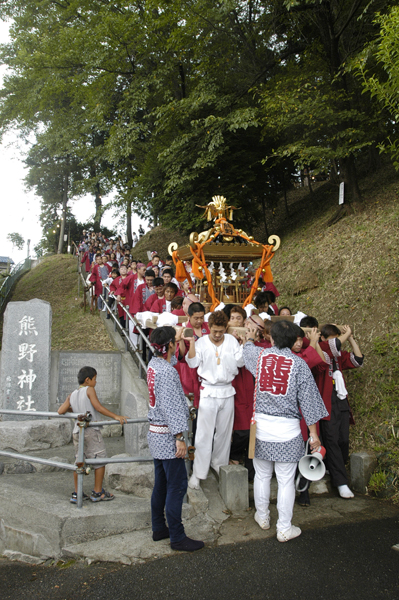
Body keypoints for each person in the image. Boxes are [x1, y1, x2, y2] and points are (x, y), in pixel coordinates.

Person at [243, 320, 328, 542]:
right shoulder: (299, 365)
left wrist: (251, 337)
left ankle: (262, 517)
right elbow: (309, 402)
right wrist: (314, 435)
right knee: (285, 480)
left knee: (261, 475)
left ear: (271, 339)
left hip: (260, 427)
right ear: (294, 342)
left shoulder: (260, 357)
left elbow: (247, 349)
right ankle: (284, 528)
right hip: (288, 431)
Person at [147, 326, 204, 552]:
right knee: (176, 487)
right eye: (174, 341)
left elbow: (168, 361)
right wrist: (180, 437)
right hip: (169, 437)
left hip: (155, 433)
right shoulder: (167, 372)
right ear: (170, 344)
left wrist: (174, 338)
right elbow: (171, 407)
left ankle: (159, 527)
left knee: (161, 485)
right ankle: (177, 536)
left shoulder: (154, 366)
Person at [186, 310, 244, 489]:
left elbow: (241, 363)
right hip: (209, 391)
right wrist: (192, 345)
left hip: (227, 390)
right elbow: (193, 363)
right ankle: (198, 472)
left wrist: (244, 344)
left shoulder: (232, 341)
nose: (217, 335)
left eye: (220, 331)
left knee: (224, 434)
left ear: (225, 328)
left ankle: (219, 464)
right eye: (214, 331)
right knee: (204, 434)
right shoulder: (202, 342)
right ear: (208, 327)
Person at [58, 366, 128, 503]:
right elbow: (98, 407)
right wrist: (116, 416)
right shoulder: (89, 390)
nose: (96, 382)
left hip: (77, 431)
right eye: (95, 379)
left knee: (79, 461)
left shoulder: (72, 394)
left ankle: (77, 493)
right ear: (88, 380)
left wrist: (73, 407)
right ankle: (98, 492)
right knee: (99, 459)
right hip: (91, 430)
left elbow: (61, 411)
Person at [316, 324, 364, 499]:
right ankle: (341, 482)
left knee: (343, 439)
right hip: (326, 402)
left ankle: (331, 466)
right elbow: (334, 346)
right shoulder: (321, 348)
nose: (335, 341)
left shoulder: (338, 356)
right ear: (322, 338)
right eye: (331, 338)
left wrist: (350, 338)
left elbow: (358, 360)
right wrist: (347, 333)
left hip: (341, 400)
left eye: (337, 337)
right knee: (332, 440)